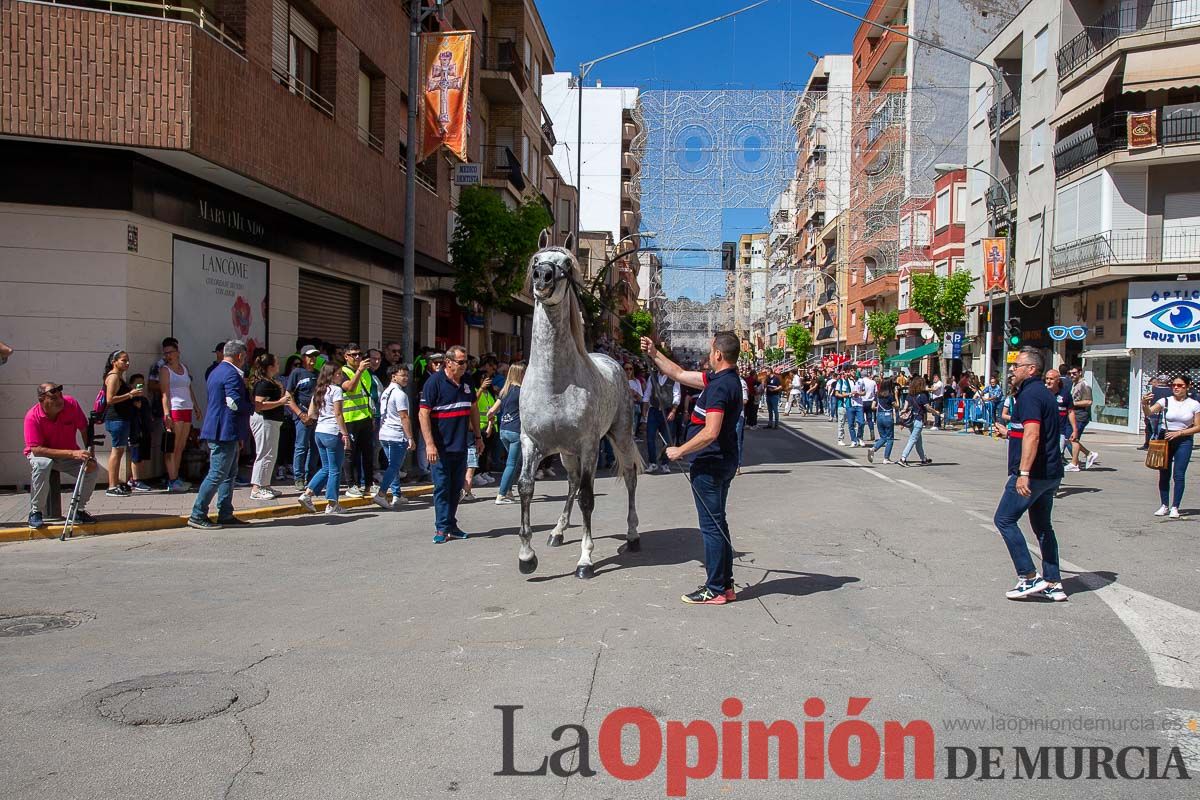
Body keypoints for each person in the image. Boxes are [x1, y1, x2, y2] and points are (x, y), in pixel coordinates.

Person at [641, 332, 742, 606]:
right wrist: (654, 352)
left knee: (710, 527)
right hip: (721, 460)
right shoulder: (723, 379)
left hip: (711, 463)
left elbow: (711, 431)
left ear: (718, 354)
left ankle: (716, 588)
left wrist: (680, 450)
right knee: (718, 523)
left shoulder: (720, 387)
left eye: (711, 350)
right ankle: (726, 584)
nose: (709, 354)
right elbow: (680, 374)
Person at [990, 347, 1066, 602]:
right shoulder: (1042, 394)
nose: (1012, 370)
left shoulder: (1031, 395)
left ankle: (1028, 576)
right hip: (1050, 472)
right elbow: (1032, 432)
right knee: (1043, 526)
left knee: (1004, 519)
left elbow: (1033, 434)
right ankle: (1053, 582)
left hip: (1034, 474)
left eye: (1017, 366)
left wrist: (1023, 473)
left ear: (1031, 369)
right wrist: (1010, 433)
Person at [420, 344, 483, 543]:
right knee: (442, 487)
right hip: (440, 448)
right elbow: (423, 414)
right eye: (461, 362)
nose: (465, 366)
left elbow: (473, 408)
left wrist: (478, 437)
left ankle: (451, 525)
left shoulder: (467, 381)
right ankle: (441, 528)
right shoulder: (434, 383)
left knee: (456, 487)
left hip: (460, 444)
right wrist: (429, 444)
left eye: (467, 362)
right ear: (448, 362)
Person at [187, 340, 252, 530]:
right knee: (217, 474)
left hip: (226, 431)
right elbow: (234, 402)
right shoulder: (231, 374)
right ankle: (198, 513)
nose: (245, 359)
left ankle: (225, 513)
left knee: (228, 474)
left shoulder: (217, 371)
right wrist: (252, 407)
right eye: (244, 356)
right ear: (239, 355)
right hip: (223, 430)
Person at [24, 383, 98, 529]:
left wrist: (91, 457)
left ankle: (77, 510)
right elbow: (37, 450)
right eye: (54, 398)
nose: (60, 401)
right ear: (42, 399)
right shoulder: (32, 417)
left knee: (92, 469)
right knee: (43, 464)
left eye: (60, 396)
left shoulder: (71, 404)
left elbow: (84, 430)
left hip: (67, 454)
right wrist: (72, 453)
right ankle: (35, 512)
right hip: (43, 454)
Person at [296, 364, 352, 516]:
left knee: (326, 467)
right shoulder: (336, 390)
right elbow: (338, 414)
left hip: (319, 431)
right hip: (333, 432)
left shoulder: (319, 391)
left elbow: (311, 414)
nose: (341, 376)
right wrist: (345, 434)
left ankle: (307, 494)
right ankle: (332, 503)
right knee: (335, 469)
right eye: (339, 374)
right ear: (331, 375)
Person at [1142, 375, 1200, 519]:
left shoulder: (1194, 404)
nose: (1176, 388)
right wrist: (1145, 404)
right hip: (1165, 438)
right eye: (1173, 385)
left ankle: (1175, 507)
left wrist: (1180, 433)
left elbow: (1198, 426)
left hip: (1184, 439)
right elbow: (1149, 413)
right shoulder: (1165, 401)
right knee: (1164, 473)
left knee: (1179, 474)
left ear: (1187, 387)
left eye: (1180, 385)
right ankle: (1164, 505)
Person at [159, 338, 201, 492]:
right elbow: (164, 393)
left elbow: (189, 389)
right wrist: (166, 413)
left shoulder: (184, 368)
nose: (168, 355)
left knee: (181, 446)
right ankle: (172, 479)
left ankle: (175, 476)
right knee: (173, 446)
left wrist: (196, 406)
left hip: (187, 407)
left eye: (170, 352)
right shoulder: (165, 370)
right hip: (174, 408)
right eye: (166, 353)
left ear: (177, 352)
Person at [247, 353, 291, 500]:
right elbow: (259, 405)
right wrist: (281, 402)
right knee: (264, 453)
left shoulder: (270, 381)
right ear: (270, 367)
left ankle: (265, 485)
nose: (279, 366)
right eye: (276, 363)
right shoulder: (263, 383)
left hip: (272, 421)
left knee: (270, 454)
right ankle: (256, 488)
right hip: (265, 421)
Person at [373, 365, 414, 510]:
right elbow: (404, 416)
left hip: (384, 434)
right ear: (393, 376)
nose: (405, 378)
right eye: (402, 375)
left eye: (407, 375)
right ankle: (381, 493)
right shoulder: (399, 394)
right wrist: (410, 437)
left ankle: (397, 494)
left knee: (393, 466)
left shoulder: (386, 392)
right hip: (396, 435)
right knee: (394, 466)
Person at [101, 350, 141, 497]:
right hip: (117, 418)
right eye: (124, 360)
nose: (127, 363)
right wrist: (130, 394)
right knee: (116, 451)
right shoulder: (113, 377)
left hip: (121, 418)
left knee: (119, 451)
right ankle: (112, 486)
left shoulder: (117, 377)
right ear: (114, 362)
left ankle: (115, 484)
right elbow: (110, 399)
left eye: (128, 360)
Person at [339, 344, 377, 498]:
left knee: (368, 453)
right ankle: (351, 484)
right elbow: (350, 388)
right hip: (349, 419)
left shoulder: (366, 372)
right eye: (353, 355)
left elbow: (367, 395)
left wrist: (372, 416)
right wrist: (359, 371)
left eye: (359, 354)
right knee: (350, 454)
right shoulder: (343, 372)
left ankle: (368, 483)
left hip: (365, 417)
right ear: (346, 357)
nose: (357, 357)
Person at [284, 345, 321, 490]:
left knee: (315, 448)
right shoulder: (297, 373)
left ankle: (310, 476)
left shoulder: (318, 374)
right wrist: (300, 414)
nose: (312, 359)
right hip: (302, 416)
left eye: (315, 356)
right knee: (301, 447)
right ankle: (298, 477)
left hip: (317, 416)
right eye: (309, 356)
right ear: (303, 357)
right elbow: (288, 396)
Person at [489, 362, 525, 505]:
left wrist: (490, 425)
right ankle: (501, 494)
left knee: (514, 463)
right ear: (520, 374)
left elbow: (491, 411)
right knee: (511, 464)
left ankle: (509, 490)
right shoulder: (522, 391)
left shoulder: (504, 391)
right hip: (516, 430)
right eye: (524, 373)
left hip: (503, 430)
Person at [644, 370, 681, 473]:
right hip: (654, 410)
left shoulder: (673, 379)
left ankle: (665, 464)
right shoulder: (652, 376)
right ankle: (652, 463)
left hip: (667, 410)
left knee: (667, 439)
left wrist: (673, 411)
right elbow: (647, 393)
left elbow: (677, 395)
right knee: (650, 437)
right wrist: (644, 410)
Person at [124, 372, 155, 492]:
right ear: (131, 385)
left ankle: (136, 478)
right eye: (137, 385)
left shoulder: (144, 400)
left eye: (142, 384)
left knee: (142, 457)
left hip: (145, 432)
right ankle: (135, 480)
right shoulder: (129, 400)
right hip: (134, 432)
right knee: (136, 456)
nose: (140, 387)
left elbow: (148, 416)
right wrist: (135, 407)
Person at [1043, 369, 1077, 465]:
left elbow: (1070, 412)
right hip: (1044, 431)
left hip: (1060, 432)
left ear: (1058, 380)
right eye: (1047, 379)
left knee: (1056, 455)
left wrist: (1074, 430)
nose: (1048, 381)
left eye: (1051, 379)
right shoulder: (1043, 393)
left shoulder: (1065, 394)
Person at [898, 375, 932, 467]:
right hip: (918, 419)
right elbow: (927, 407)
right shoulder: (923, 395)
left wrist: (902, 419)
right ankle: (903, 458)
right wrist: (936, 412)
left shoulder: (910, 395)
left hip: (911, 420)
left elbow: (905, 408)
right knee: (913, 440)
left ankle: (923, 459)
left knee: (918, 440)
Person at [867, 376, 898, 464]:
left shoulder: (878, 395)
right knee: (890, 438)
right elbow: (897, 406)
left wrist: (880, 408)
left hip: (879, 416)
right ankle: (886, 458)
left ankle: (873, 448)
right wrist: (896, 395)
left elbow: (872, 406)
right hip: (888, 416)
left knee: (883, 437)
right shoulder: (890, 395)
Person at [1140, 374, 1172, 450]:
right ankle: (1156, 445)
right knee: (1160, 431)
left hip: (1153, 413)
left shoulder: (1152, 390)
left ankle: (1152, 444)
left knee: (1154, 430)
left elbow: (1147, 400)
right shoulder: (1171, 391)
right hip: (1165, 413)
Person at [857, 370, 878, 443]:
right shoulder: (873, 382)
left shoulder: (860, 381)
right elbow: (876, 392)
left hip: (862, 401)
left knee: (861, 419)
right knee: (869, 418)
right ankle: (872, 431)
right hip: (870, 401)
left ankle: (861, 435)